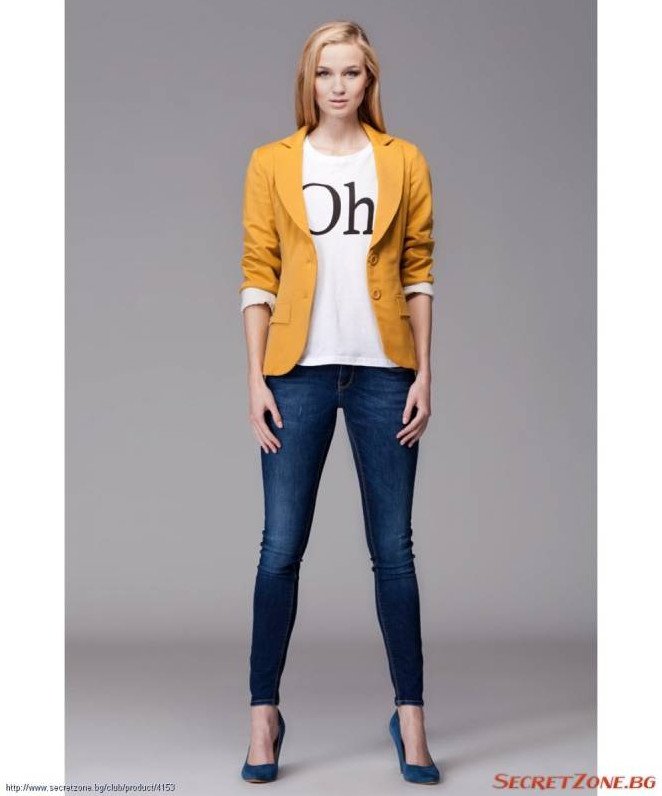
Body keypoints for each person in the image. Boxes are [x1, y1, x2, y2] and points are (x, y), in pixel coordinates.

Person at [238, 19, 441, 785]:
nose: (338, 86)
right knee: (280, 548)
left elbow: (418, 269)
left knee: (394, 550)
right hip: (296, 373)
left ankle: (411, 716)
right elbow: (258, 273)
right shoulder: (272, 162)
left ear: (369, 80)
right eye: (326, 72)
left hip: (385, 373)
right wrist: (255, 379)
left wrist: (425, 372)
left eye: (351, 72)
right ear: (309, 79)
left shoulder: (403, 160)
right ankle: (264, 714)